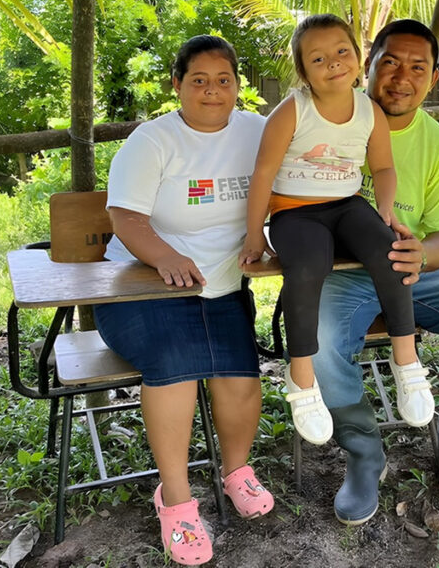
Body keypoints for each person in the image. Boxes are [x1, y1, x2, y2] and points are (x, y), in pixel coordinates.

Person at [311, 19, 439, 525]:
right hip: (342, 273)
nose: (402, 77)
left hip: (414, 267)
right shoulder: (322, 122)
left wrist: (421, 254)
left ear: (434, 77)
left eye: (417, 67)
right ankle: (363, 455)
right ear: (369, 66)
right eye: (391, 63)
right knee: (318, 341)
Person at [94, 35, 274, 566]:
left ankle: (237, 470)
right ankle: (175, 499)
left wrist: (267, 236)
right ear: (177, 85)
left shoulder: (259, 133)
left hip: (222, 284)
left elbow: (285, 193)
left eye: (224, 80)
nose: (212, 91)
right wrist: (164, 257)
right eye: (198, 80)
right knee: (174, 366)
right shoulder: (152, 141)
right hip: (144, 287)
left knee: (239, 372)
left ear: (238, 86)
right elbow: (125, 219)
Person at [239, 14, 435, 447]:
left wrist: (385, 213)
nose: (334, 62)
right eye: (319, 57)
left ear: (359, 56)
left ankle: (406, 360)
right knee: (308, 265)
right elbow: (263, 174)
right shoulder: (293, 110)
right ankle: (302, 376)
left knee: (390, 249)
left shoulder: (368, 110)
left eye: (342, 51)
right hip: (296, 212)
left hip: (348, 205)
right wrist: (255, 235)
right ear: (303, 70)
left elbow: (383, 166)